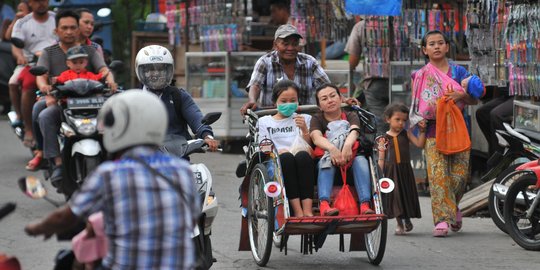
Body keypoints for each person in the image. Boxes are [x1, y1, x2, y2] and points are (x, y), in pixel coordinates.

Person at [25, 90, 200, 270]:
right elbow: (191, 219)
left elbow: (66, 217)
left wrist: (36, 228)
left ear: (117, 128)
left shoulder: (109, 174)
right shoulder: (182, 171)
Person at [409, 30, 484, 237]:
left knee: (460, 177)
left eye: (440, 43)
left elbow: (474, 100)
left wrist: (462, 94)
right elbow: (416, 104)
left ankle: (453, 206)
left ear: (447, 47)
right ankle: (442, 219)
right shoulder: (420, 75)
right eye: (431, 44)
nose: (436, 47)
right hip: (433, 130)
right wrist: (419, 122)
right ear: (424, 50)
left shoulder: (459, 72)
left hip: (458, 129)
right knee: (438, 176)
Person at [33, 9, 115, 184]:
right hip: (61, 101)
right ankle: (55, 162)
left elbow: (103, 70)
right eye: (64, 28)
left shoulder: (90, 50)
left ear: (78, 28)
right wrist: (45, 87)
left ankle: (115, 157)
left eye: (72, 27)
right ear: (57, 31)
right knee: (43, 114)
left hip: (92, 102)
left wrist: (111, 81)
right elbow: (41, 75)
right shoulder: (49, 52)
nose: (69, 31)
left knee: (116, 112)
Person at [134, 45, 219, 154]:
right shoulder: (132, 99)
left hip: (178, 159)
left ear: (169, 71)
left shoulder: (179, 96)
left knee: (200, 170)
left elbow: (196, 118)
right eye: (150, 70)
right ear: (140, 71)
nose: (155, 74)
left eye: (161, 69)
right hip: (143, 159)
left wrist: (208, 136)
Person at [310, 83, 373, 216]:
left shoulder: (350, 115)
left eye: (333, 96)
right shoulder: (317, 119)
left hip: (350, 160)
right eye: (324, 98)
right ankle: (324, 204)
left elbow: (354, 131)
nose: (330, 100)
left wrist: (347, 146)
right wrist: (332, 149)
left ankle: (365, 204)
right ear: (319, 105)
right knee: (326, 161)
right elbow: (316, 138)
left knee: (361, 160)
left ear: (340, 98)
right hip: (328, 160)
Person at [240, 24, 330, 115]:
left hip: (304, 119)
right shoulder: (265, 62)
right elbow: (255, 85)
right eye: (285, 44)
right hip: (272, 121)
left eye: (294, 44)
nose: (290, 48)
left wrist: (338, 97)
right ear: (275, 45)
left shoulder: (309, 62)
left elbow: (325, 86)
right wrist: (252, 100)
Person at [257, 79, 315, 217]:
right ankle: (297, 210)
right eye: (283, 101)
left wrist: (304, 129)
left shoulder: (305, 118)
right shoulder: (264, 122)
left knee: (302, 156)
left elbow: (310, 146)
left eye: (292, 100)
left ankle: (307, 209)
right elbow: (263, 148)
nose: (288, 104)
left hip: (302, 160)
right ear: (275, 102)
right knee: (286, 158)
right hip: (277, 162)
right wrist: (276, 152)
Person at [9, 0, 55, 148]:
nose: (41, 3)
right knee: (20, 84)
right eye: (36, 1)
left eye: (44, 0)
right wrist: (19, 56)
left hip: (58, 62)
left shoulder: (58, 18)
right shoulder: (23, 22)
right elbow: (15, 45)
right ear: (30, 3)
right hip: (31, 64)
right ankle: (27, 126)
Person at [377, 103, 426, 235]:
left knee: (406, 195)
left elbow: (420, 144)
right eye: (397, 120)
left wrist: (422, 131)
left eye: (404, 120)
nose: (401, 123)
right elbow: (381, 158)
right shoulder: (383, 138)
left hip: (405, 170)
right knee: (396, 196)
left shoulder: (407, 133)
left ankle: (407, 218)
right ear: (388, 119)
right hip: (391, 171)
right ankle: (400, 223)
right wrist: (379, 174)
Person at [345, 18, 391, 134]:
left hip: (374, 82)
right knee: (400, 120)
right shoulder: (398, 25)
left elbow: (353, 60)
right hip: (399, 80)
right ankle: (398, 150)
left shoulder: (361, 26)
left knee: (380, 123)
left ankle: (381, 150)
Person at [475, 87, 513, 160]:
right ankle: (494, 147)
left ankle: (501, 154)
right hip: (507, 94)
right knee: (481, 113)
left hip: (522, 95)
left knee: (496, 115)